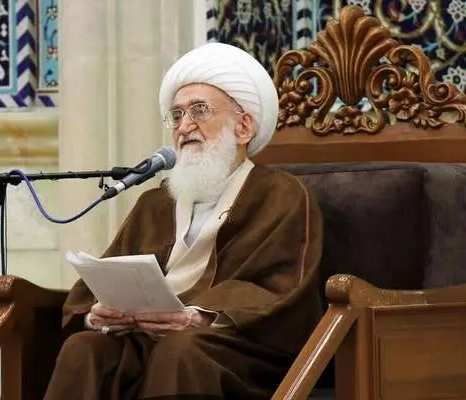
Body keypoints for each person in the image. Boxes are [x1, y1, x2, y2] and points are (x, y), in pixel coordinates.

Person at [43, 42, 323, 400]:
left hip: (237, 348)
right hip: (146, 339)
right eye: (176, 115)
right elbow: (102, 280)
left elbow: (282, 288)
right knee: (84, 349)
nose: (185, 126)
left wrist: (200, 315)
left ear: (243, 127)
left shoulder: (282, 195)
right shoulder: (155, 203)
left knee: (181, 351)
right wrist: (97, 313)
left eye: (199, 110)